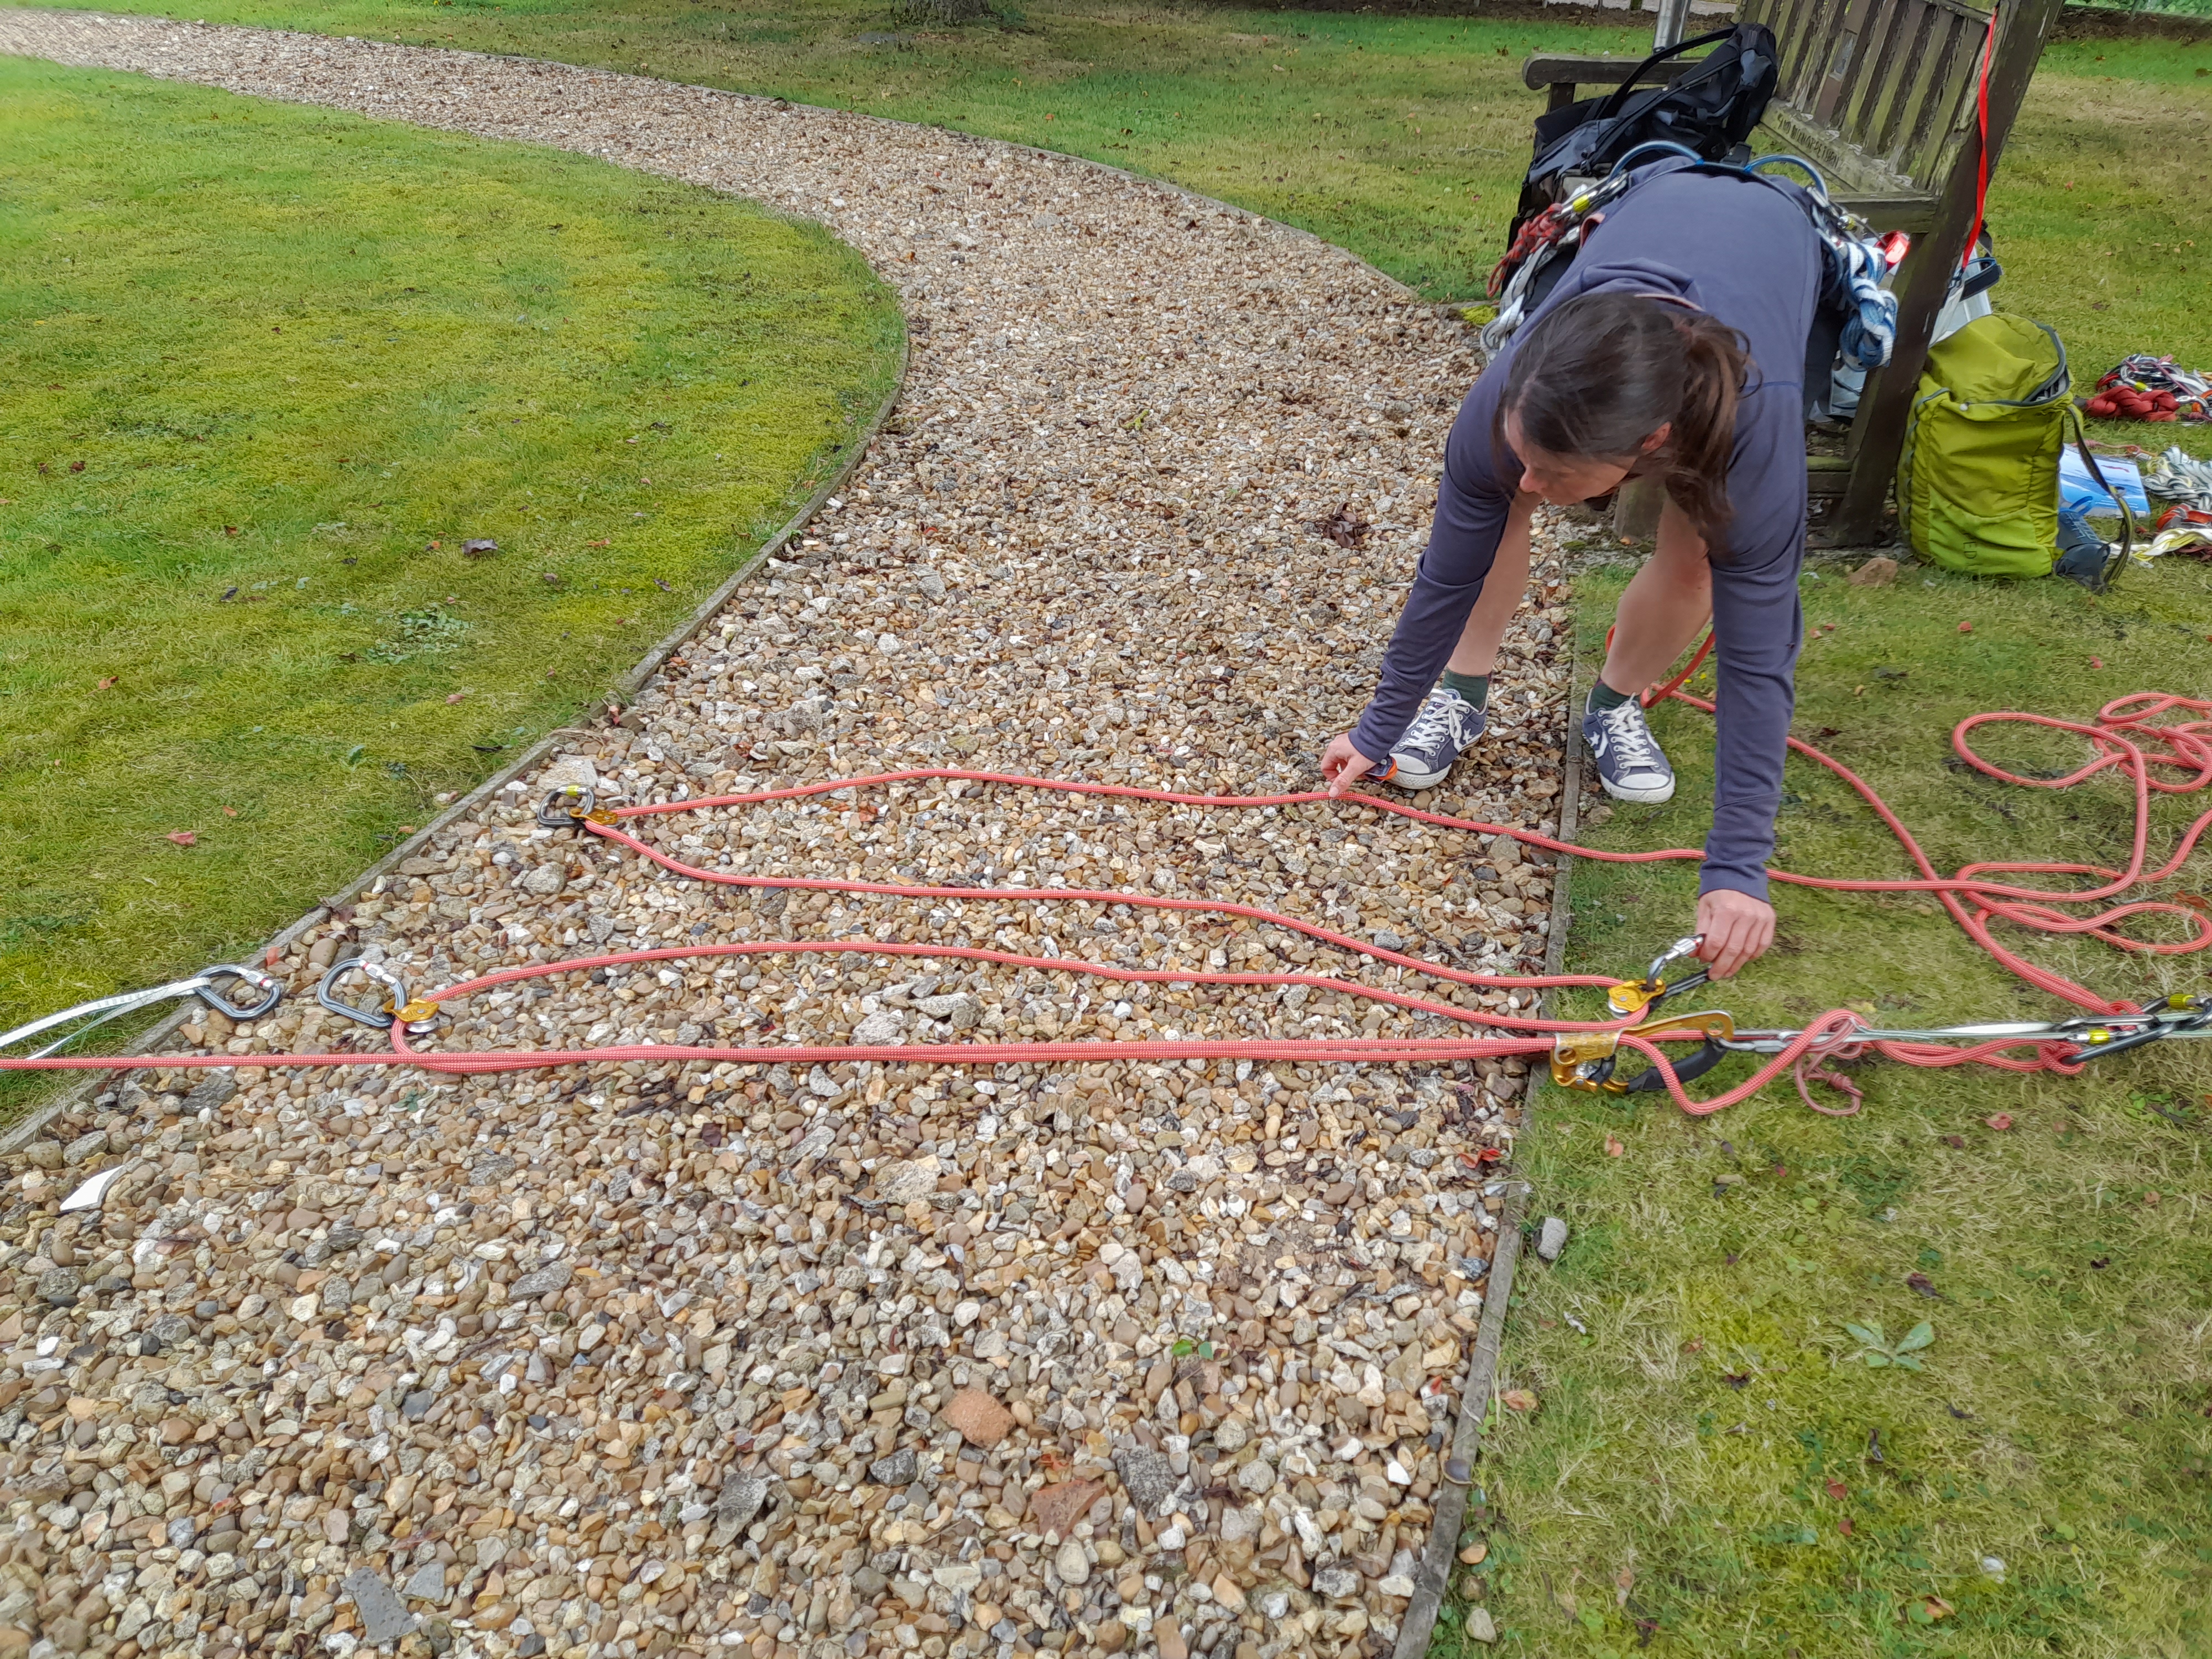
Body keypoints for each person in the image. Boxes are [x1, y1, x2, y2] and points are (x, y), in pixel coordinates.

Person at [1319, 159, 1824, 981]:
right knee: (1493, 501)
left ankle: (1615, 705)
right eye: (1525, 455)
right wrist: (1377, 730)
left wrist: (1738, 868)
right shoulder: (1507, 398)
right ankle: (1462, 696)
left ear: (1649, 447)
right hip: (1662, 209)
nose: (1531, 485)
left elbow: (1758, 660)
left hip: (1770, 242)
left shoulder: (1756, 433)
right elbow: (1448, 573)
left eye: (1553, 474)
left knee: (1698, 552)